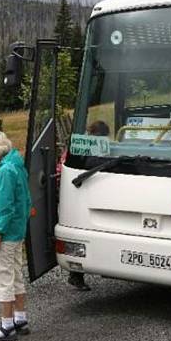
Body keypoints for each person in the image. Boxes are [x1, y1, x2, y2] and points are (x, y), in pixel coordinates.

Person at [0, 131, 32, 341]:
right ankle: (20, 318)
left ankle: (6, 325)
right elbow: (26, 199)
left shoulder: (5, 172)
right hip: (18, 230)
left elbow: (4, 205)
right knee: (16, 274)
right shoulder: (16, 166)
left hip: (7, 233)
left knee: (3, 277)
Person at [66, 121, 110, 291]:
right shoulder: (92, 148)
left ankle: (76, 274)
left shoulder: (79, 144)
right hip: (83, 191)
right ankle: (76, 274)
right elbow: (93, 164)